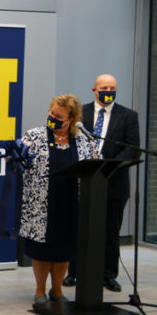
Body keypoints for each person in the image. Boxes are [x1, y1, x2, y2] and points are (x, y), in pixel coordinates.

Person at [18, 94, 99, 305]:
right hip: (41, 204)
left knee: (64, 249)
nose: (52, 117)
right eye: (51, 113)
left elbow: (96, 165)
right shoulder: (34, 136)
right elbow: (19, 160)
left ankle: (57, 291)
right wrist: (14, 157)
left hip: (72, 203)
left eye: (58, 116)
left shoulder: (83, 139)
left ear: (71, 120)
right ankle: (39, 291)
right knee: (42, 250)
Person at [63, 74, 140, 292]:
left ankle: (108, 275)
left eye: (113, 87)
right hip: (81, 181)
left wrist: (107, 167)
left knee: (110, 231)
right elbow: (68, 142)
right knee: (78, 228)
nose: (109, 90)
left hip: (113, 183)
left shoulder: (128, 116)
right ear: (94, 90)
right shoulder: (80, 114)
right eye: (104, 87)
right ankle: (74, 272)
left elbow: (132, 148)